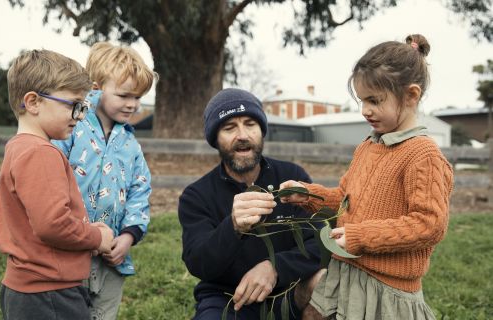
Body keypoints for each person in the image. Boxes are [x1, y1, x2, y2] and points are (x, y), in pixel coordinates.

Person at [280, 34, 454, 320]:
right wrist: (308, 195)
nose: (365, 110)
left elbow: (429, 224)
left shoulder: (423, 154)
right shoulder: (368, 147)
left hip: (385, 288)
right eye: (362, 100)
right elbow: (345, 201)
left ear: (411, 95)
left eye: (374, 100)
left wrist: (361, 236)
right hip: (347, 271)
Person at [178, 88, 327, 320]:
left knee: (325, 283)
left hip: (289, 291)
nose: (242, 135)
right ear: (215, 139)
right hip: (230, 300)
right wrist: (233, 227)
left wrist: (274, 267)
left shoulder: (291, 177)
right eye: (229, 128)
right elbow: (199, 263)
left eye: (250, 124)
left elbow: (320, 241)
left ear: (261, 131)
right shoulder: (197, 195)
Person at [0, 49, 115, 320]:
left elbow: (40, 220)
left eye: (82, 106)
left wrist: (84, 228)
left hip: (27, 290)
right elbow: (53, 225)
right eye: (73, 104)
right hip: (50, 293)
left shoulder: (18, 148)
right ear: (33, 102)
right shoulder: (41, 153)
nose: (80, 115)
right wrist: (97, 238)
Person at [52, 42, 157, 320]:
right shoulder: (70, 129)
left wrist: (129, 235)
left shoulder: (131, 144)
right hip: (69, 253)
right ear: (96, 88)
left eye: (138, 97)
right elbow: (51, 179)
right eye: (124, 95)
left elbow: (140, 189)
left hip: (112, 258)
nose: (133, 104)